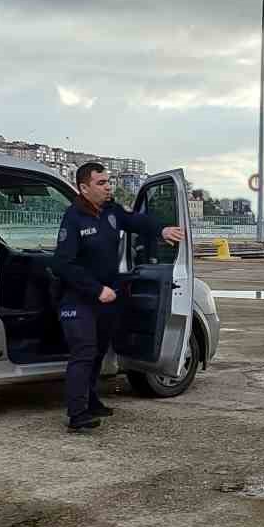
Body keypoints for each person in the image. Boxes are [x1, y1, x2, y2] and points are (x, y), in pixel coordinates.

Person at [52, 162, 185, 432]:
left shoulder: (111, 212)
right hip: (79, 299)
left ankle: (91, 400)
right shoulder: (74, 217)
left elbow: (136, 220)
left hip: (107, 298)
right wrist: (96, 289)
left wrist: (161, 230)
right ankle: (77, 414)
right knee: (84, 352)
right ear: (84, 187)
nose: (108, 187)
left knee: (99, 351)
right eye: (101, 183)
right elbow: (63, 264)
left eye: (108, 181)